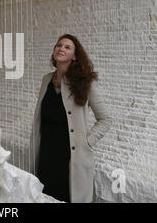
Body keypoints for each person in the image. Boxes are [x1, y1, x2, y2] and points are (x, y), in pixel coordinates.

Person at [30, 34, 112, 203]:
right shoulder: (46, 80)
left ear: (74, 56)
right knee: (45, 197)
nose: (61, 48)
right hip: (46, 154)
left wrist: (87, 142)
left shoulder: (84, 82)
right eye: (59, 45)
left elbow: (105, 119)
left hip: (70, 157)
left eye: (67, 47)